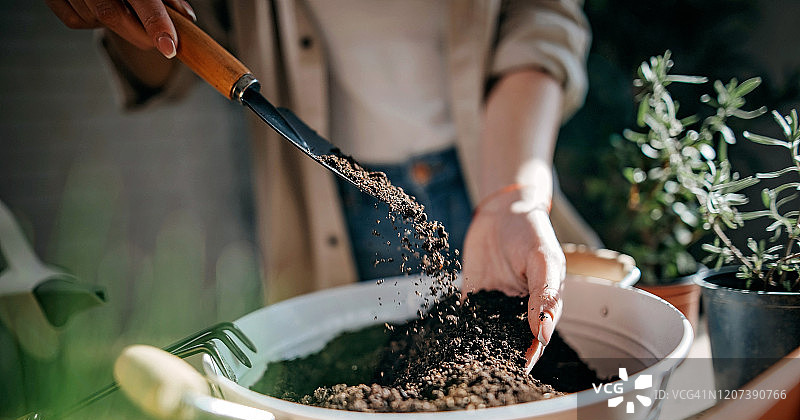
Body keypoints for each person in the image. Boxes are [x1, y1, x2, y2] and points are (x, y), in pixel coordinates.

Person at [45, 0, 594, 369]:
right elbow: (167, 46)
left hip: (493, 175)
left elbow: (543, 20)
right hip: (329, 205)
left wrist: (514, 197)